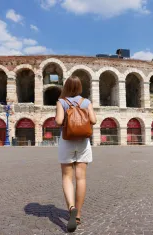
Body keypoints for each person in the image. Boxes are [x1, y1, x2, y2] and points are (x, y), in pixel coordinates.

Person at [55, 75, 97, 233]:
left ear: (66, 87)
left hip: (66, 141)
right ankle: (78, 214)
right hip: (83, 143)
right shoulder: (86, 102)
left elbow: (59, 122)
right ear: (79, 87)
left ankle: (71, 207)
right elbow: (93, 120)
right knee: (81, 178)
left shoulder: (61, 102)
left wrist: (63, 115)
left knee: (67, 177)